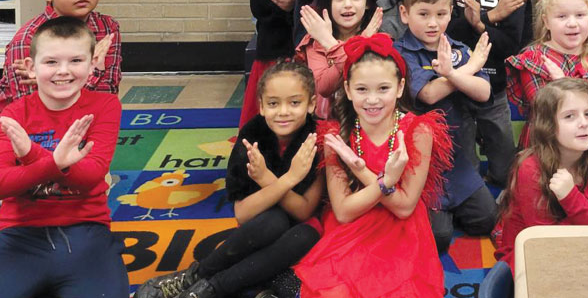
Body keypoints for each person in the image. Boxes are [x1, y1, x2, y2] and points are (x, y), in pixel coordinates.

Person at [137, 60, 323, 298]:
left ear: (311, 104)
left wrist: (267, 179)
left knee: (305, 235)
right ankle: (196, 275)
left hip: (298, 236)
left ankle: (208, 290)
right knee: (274, 221)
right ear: (261, 106)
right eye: (273, 103)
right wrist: (288, 180)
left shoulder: (318, 139)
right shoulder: (252, 136)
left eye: (294, 103)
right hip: (259, 228)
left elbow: (304, 212)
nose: (283, 112)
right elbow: (243, 214)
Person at [294, 35, 454, 297]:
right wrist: (386, 182)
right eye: (362, 90)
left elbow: (404, 207)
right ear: (347, 90)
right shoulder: (336, 136)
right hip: (352, 229)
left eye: (383, 89)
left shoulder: (418, 131)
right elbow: (343, 212)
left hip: (401, 232)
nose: (372, 100)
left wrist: (361, 171)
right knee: (336, 292)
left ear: (400, 88)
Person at [0, 17, 128, 298]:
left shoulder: (104, 106)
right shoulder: (13, 113)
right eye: (51, 62)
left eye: (76, 61)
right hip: (19, 234)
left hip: (86, 231)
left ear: (92, 65)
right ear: (31, 67)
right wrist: (57, 163)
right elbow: (2, 183)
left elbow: (90, 176)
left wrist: (31, 154)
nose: (63, 71)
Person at [394, 0, 496, 255]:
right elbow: (428, 94)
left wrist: (452, 72)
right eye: (423, 14)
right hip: (420, 165)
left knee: (488, 219)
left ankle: (451, 209)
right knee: (438, 238)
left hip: (459, 161)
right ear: (404, 13)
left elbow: (483, 92)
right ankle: (436, 214)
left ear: (451, 12)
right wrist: (466, 70)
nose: (432, 23)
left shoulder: (460, 50)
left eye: (440, 14)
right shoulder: (399, 53)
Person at [492, 79, 588, 271]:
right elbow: (548, 245)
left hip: (586, 248)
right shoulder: (530, 168)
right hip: (532, 257)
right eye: (569, 116)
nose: (583, 123)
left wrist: (575, 198)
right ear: (548, 125)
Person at [442, 0, 527, 187]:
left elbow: (509, 46)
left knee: (505, 171)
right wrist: (492, 17)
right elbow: (445, 31)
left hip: (495, 88)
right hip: (456, 88)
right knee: (466, 170)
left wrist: (479, 25)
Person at [1, 0, 120, 113]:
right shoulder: (27, 40)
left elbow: (108, 95)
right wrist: (93, 71)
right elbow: (33, 113)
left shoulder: (107, 28)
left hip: (92, 121)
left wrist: (56, 87)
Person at [506, 0, 588, 146]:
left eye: (580, 15)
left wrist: (562, 83)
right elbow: (546, 110)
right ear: (546, 21)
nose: (572, 23)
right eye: (562, 16)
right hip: (547, 148)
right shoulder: (534, 58)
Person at [294, 0, 393, 119]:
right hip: (326, 124)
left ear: (368, 3)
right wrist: (358, 43)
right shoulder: (316, 39)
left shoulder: (379, 38)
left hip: (370, 121)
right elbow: (324, 87)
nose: (348, 4)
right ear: (327, 3)